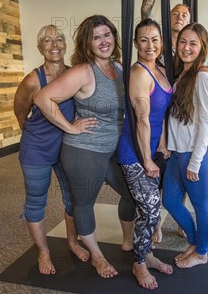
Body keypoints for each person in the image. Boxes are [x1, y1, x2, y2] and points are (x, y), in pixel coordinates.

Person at [33, 15, 137, 278]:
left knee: (130, 193)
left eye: (107, 35)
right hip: (84, 151)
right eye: (96, 37)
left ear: (114, 36)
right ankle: (97, 257)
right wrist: (69, 127)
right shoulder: (83, 71)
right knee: (84, 203)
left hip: (113, 150)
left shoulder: (120, 67)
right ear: (87, 43)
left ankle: (128, 240)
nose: (103, 41)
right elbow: (42, 97)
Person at [14, 24, 89, 275]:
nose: (54, 44)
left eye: (58, 39)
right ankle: (43, 252)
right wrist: (37, 137)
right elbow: (20, 112)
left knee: (72, 199)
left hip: (67, 147)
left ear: (65, 45)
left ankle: (71, 242)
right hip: (36, 150)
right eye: (47, 41)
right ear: (40, 48)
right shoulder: (33, 79)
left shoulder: (74, 74)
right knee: (36, 201)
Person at [117, 18, 174, 289]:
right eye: (143, 39)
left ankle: (146, 254)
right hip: (134, 154)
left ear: (162, 43)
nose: (150, 45)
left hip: (152, 150)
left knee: (150, 209)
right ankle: (139, 263)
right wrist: (148, 159)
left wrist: (162, 144)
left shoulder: (161, 70)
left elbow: (161, 115)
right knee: (151, 209)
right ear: (136, 44)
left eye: (155, 39)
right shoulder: (139, 73)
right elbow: (142, 119)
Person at [141, 0, 192, 243]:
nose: (179, 17)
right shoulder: (157, 42)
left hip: (182, 118)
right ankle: (156, 221)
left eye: (184, 15)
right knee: (157, 173)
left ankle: (181, 217)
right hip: (159, 117)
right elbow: (146, 10)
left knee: (181, 174)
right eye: (175, 13)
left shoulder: (190, 47)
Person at [162, 23, 208, 269]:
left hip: (197, 154)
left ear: (202, 47)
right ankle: (195, 242)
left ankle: (202, 252)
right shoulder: (182, 75)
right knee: (171, 201)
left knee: (200, 205)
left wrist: (195, 161)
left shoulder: (204, 76)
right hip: (177, 153)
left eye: (193, 43)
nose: (186, 47)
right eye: (182, 41)